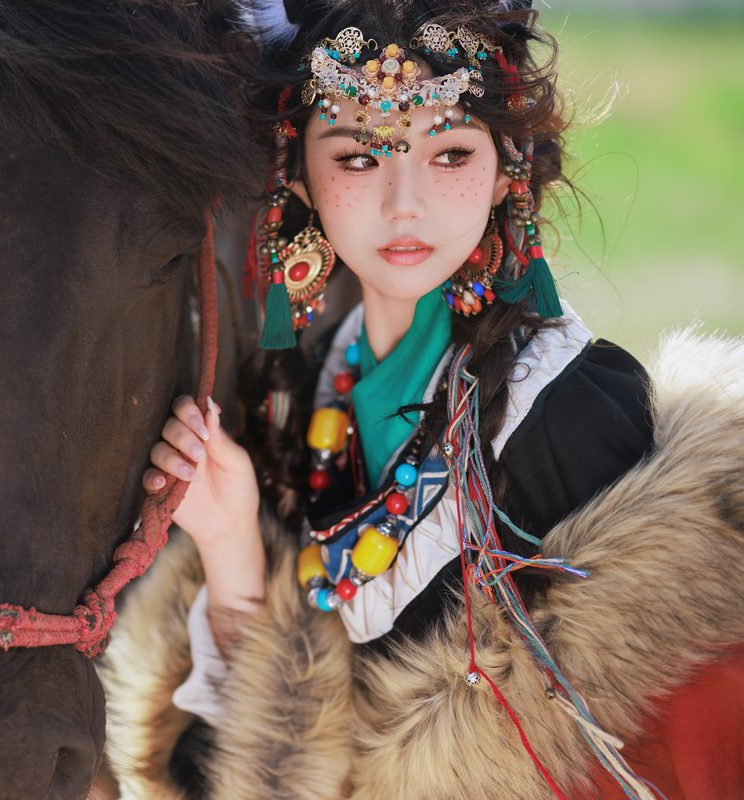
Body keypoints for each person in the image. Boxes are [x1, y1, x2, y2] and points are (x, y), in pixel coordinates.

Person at [101, 2, 744, 798]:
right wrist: (230, 539)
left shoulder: (565, 412)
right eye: (358, 157)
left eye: (450, 153)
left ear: (507, 168)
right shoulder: (300, 395)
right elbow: (264, 768)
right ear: (296, 173)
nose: (404, 203)